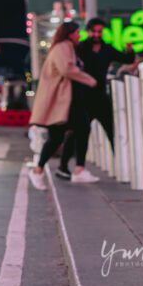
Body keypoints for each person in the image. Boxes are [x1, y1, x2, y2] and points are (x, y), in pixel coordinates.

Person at [56, 18, 137, 180]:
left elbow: (126, 59)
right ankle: (64, 167)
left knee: (112, 131)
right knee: (76, 133)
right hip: (82, 97)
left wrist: (130, 51)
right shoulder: (80, 47)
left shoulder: (107, 49)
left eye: (99, 31)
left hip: (101, 97)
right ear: (88, 31)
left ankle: (123, 168)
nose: (96, 34)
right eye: (94, 31)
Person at [28, 22, 98, 191]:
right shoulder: (63, 47)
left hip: (67, 101)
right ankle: (40, 171)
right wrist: (90, 80)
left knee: (75, 131)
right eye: (77, 33)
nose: (79, 36)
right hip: (62, 101)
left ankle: (73, 169)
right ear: (69, 34)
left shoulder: (67, 48)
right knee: (63, 135)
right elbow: (67, 70)